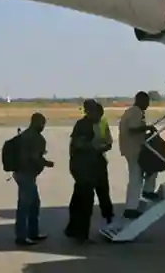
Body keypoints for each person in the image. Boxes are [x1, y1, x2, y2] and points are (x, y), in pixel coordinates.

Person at [13, 112, 54, 247]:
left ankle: (32, 233)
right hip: (26, 175)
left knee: (33, 204)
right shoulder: (35, 138)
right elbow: (34, 157)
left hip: (22, 173)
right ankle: (22, 236)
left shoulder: (24, 135)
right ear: (37, 123)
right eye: (42, 124)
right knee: (25, 206)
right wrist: (46, 163)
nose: (43, 127)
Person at [65, 100, 101, 243]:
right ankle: (81, 234)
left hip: (79, 166)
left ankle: (72, 229)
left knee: (77, 199)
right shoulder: (84, 125)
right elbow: (78, 144)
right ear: (90, 111)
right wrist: (95, 149)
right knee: (86, 201)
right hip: (83, 168)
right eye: (98, 114)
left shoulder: (84, 124)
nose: (99, 118)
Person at [119, 91, 159, 219]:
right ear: (140, 100)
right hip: (133, 149)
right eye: (146, 102)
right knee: (135, 178)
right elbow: (132, 129)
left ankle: (147, 191)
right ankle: (130, 208)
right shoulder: (136, 112)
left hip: (133, 148)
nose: (147, 105)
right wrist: (148, 128)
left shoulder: (132, 111)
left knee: (149, 170)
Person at [92, 103, 114, 225]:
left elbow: (109, 143)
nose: (99, 117)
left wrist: (101, 149)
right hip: (86, 162)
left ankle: (108, 215)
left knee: (103, 189)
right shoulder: (83, 125)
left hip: (100, 159)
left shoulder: (103, 123)